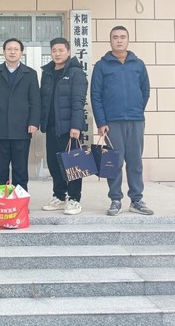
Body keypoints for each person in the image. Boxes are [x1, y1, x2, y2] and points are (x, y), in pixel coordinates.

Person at [90, 25, 153, 216]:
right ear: (110, 40)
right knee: (113, 162)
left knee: (135, 161)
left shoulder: (138, 64)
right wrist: (101, 122)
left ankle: (136, 200)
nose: (119, 40)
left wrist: (136, 110)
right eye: (115, 37)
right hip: (112, 123)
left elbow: (145, 91)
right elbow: (95, 95)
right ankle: (115, 199)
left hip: (135, 120)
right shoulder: (102, 66)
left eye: (122, 37)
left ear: (128, 39)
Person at [0, 38, 40, 192]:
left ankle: (20, 200)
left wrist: (34, 122)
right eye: (9, 49)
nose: (12, 52)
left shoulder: (30, 74)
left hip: (22, 128)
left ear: (21, 53)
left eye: (16, 49)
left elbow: (35, 100)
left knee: (20, 168)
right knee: (0, 169)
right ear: (3, 52)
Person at [40, 37, 88, 215]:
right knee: (54, 164)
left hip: (69, 129)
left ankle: (74, 199)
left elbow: (78, 101)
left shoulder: (76, 73)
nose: (57, 54)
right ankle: (59, 196)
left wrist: (76, 126)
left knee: (73, 164)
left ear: (68, 52)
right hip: (51, 127)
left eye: (61, 50)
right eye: (54, 51)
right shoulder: (47, 73)